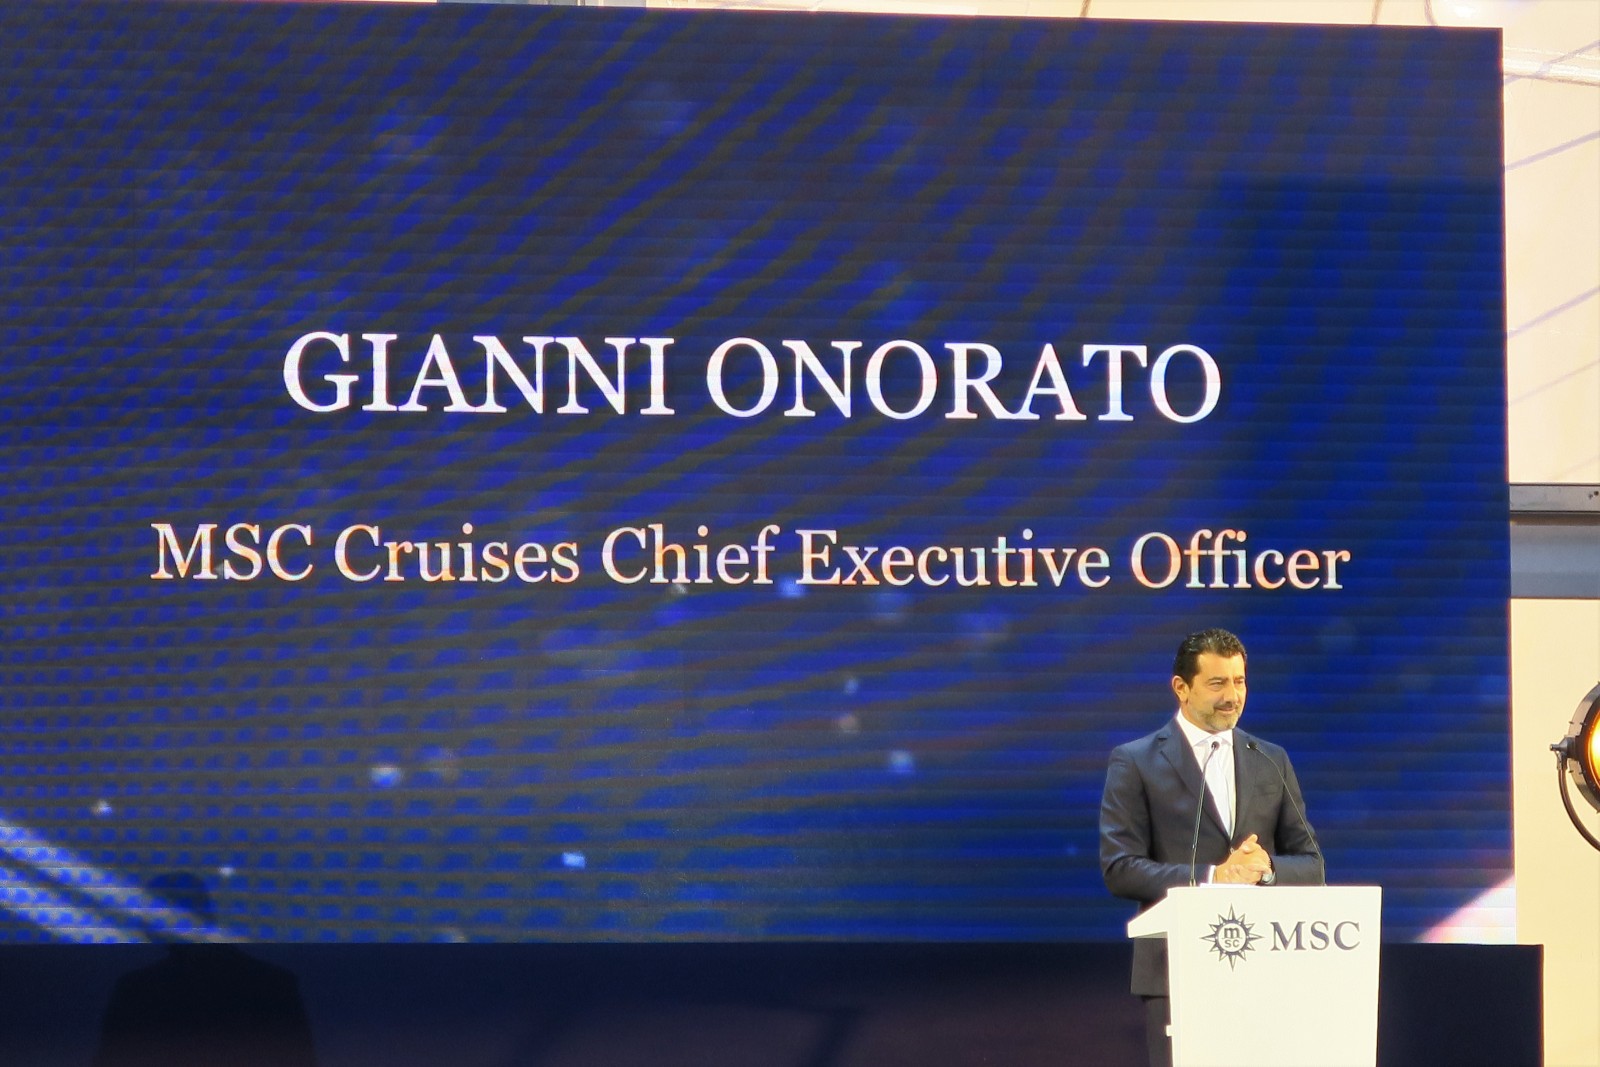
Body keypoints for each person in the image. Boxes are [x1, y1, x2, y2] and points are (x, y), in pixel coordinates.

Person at [1100, 628, 1323, 1067]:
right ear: (1181, 687)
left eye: (1239, 682)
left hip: (1266, 967)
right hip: (1177, 969)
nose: (1232, 696)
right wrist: (1213, 876)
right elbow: (1120, 868)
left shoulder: (1270, 759)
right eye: (1217, 683)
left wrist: (1266, 869)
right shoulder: (1135, 761)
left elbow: (1312, 865)